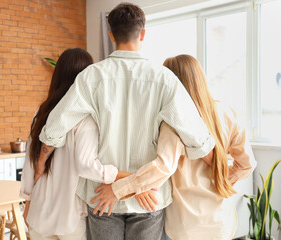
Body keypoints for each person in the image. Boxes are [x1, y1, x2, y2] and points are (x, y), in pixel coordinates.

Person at [34, 3, 215, 240]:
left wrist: (40, 162)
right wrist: (220, 168)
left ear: (111, 35)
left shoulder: (91, 76)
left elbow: (55, 127)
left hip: (102, 196)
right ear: (142, 34)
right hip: (148, 197)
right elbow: (197, 136)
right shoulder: (164, 79)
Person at [92, 54, 257, 240]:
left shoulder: (174, 120)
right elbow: (247, 164)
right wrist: (223, 176)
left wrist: (117, 189)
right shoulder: (228, 112)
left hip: (184, 225)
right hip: (220, 222)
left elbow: (162, 168)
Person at [20, 48, 124, 240]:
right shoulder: (86, 117)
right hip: (70, 215)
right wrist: (124, 176)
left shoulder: (42, 111)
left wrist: (27, 203)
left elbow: (30, 162)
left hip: (40, 210)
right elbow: (86, 166)